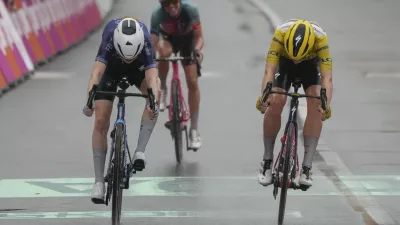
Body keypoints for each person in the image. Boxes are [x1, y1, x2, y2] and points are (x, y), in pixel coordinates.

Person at [82, 17, 160, 204]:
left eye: (131, 55)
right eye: (125, 55)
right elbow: (97, 73)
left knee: (155, 95)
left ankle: (140, 151)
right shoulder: (110, 35)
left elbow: (151, 76)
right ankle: (99, 182)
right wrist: (90, 101)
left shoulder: (145, 40)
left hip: (137, 69)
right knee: (101, 120)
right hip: (111, 70)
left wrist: (153, 101)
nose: (128, 58)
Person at [256, 19, 332, 187]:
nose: (297, 61)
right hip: (285, 62)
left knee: (317, 101)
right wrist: (264, 97)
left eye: (299, 58)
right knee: (276, 100)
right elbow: (269, 70)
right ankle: (267, 161)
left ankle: (306, 167)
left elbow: (327, 78)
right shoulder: (281, 33)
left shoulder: (320, 38)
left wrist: (326, 105)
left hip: (311, 65)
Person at [150, 0, 204, 150]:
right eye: (166, 4)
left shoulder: (191, 9)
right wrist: (151, 58)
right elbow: (153, 42)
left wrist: (198, 51)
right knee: (163, 53)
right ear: (162, 6)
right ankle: (164, 88)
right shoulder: (157, 15)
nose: (171, 7)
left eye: (174, 2)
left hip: (188, 41)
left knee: (192, 82)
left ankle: (194, 130)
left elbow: (199, 37)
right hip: (168, 39)